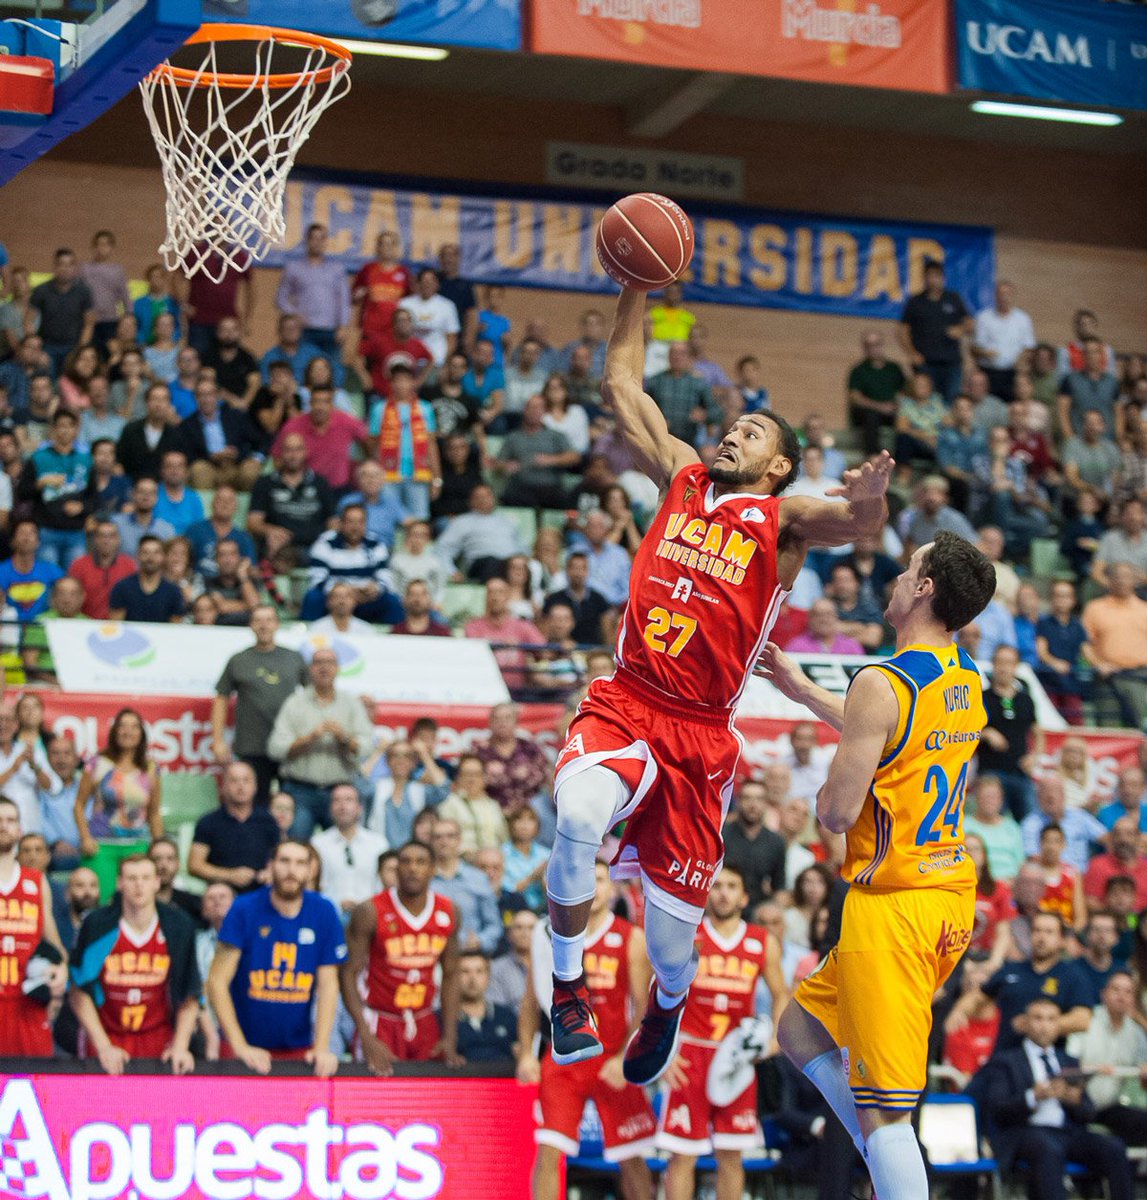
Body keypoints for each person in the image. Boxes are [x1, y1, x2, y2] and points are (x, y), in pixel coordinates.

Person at [542, 285, 894, 1085]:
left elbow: (858, 523)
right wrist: (633, 287)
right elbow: (621, 388)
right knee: (576, 813)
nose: (732, 432)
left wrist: (868, 498)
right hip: (627, 699)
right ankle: (567, 984)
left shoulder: (785, 521)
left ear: (776, 465)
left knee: (670, 946)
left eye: (752, 430)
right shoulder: (684, 476)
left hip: (700, 734)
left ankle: (666, 1000)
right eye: (732, 424)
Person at [755, 530, 995, 1200]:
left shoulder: (880, 680)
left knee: (886, 1110)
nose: (896, 574)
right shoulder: (963, 675)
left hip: (892, 909)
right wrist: (805, 692)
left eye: (908, 567)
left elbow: (833, 813)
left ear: (922, 589)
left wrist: (823, 791)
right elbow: (889, 732)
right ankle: (886, 1157)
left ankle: (889, 1158)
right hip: (946, 896)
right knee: (798, 1029)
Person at [519, 861, 657, 1200]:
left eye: (599, 880)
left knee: (631, 1155)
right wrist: (526, 1053)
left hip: (612, 1057)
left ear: (612, 890)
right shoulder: (550, 935)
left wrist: (627, 1057)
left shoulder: (631, 937)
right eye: (585, 879)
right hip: (564, 1058)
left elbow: (642, 1007)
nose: (592, 887)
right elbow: (530, 1001)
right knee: (549, 1149)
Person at [658, 864, 788, 1200]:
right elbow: (659, 994)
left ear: (744, 897)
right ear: (707, 892)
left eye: (732, 886)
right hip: (691, 1055)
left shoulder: (762, 942)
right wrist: (664, 1052)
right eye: (717, 886)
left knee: (731, 1155)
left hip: (737, 1058)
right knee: (682, 1154)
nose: (724, 892)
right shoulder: (690, 935)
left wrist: (774, 1040)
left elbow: (781, 994)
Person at [206, 839, 344, 1075]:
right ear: (270, 866)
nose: (291, 870)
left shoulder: (324, 911)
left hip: (299, 1047)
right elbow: (216, 981)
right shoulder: (243, 908)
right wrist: (240, 1046)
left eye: (300, 863)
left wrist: (322, 1047)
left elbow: (328, 985)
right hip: (243, 1046)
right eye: (284, 861)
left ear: (311, 870)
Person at [983, 996, 1135, 1200]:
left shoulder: (1068, 1060)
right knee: (1047, 1147)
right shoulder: (1007, 1061)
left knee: (1114, 1147)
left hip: (1067, 1131)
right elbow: (997, 1109)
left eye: (1051, 1019)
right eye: (1038, 1018)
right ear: (1026, 1023)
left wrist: (1075, 1099)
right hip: (1026, 1132)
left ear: (1058, 1024)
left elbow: (1088, 1112)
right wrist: (1033, 1096)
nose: (1044, 1026)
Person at [69, 854, 200, 1074]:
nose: (139, 885)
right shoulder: (98, 925)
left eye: (146, 878)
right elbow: (79, 992)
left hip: (160, 1037)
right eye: (131, 878)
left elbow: (191, 993)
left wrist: (180, 1046)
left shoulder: (178, 926)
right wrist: (103, 1046)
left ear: (157, 882)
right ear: (119, 883)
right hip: (106, 1035)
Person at [340, 839, 462, 1073]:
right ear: (396, 870)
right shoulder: (370, 911)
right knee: (376, 1099)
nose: (413, 868)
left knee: (426, 1101)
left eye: (421, 862)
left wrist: (449, 1037)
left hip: (424, 1019)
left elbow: (451, 975)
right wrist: (366, 1035)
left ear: (433, 869)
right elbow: (347, 974)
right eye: (405, 862)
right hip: (379, 1019)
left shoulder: (449, 911)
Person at [267, 647, 375, 836]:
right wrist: (309, 739)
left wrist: (345, 738)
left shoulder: (351, 704)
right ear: (310, 669)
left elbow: (367, 747)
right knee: (297, 848)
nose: (324, 668)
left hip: (340, 791)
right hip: (300, 790)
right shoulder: (295, 703)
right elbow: (275, 749)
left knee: (341, 850)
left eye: (330, 663)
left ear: (338, 668)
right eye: (318, 663)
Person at [211, 605, 307, 804]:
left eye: (269, 620)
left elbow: (314, 696)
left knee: (289, 804)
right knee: (253, 805)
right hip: (251, 747)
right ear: (251, 625)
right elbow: (221, 698)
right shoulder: (238, 660)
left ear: (277, 624)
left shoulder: (294, 658)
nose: (264, 625)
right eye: (258, 620)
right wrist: (218, 740)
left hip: (289, 746)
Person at [0, 796, 68, 1055]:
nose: (4, 826)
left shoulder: (36, 881)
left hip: (27, 1003)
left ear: (19, 829)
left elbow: (52, 943)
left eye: (10, 820)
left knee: (33, 1088)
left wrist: (61, 970)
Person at [72, 707, 163, 896]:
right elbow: (79, 805)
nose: (128, 731)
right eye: (122, 726)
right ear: (114, 731)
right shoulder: (97, 763)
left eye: (134, 727)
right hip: (101, 846)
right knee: (102, 905)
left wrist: (158, 847)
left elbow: (153, 814)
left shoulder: (151, 769)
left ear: (141, 734)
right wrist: (85, 838)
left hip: (138, 847)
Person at [1068, 970, 1147, 1146]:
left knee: (1141, 1122)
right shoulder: (1086, 1022)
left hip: (1109, 1107)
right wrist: (1094, 1069)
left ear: (1134, 999)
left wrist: (1143, 1072)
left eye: (1128, 992)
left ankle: (1131, 1171)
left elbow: (1143, 1080)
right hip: (1078, 1101)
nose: (1122, 997)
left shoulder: (1136, 1033)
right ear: (1103, 994)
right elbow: (1068, 1065)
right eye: (1116, 990)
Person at [300, 503, 403, 625]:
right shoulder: (325, 543)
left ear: (365, 524)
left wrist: (376, 588)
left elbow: (385, 579)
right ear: (341, 523)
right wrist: (345, 592)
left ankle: (395, 639)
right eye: (351, 522)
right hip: (335, 598)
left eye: (360, 522)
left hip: (366, 599)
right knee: (312, 598)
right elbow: (317, 580)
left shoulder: (375, 544)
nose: (355, 527)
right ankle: (309, 638)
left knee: (392, 601)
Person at [188, 762, 281, 892]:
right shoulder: (208, 822)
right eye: (234, 781)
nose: (241, 786)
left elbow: (281, 857)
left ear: (255, 786)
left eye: (246, 780)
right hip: (221, 895)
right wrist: (229, 875)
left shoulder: (268, 821)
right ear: (223, 786)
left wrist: (270, 873)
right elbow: (195, 865)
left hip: (262, 893)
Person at [247, 433, 337, 563]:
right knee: (273, 551)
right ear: (281, 453)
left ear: (305, 452)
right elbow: (253, 522)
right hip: (281, 546)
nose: (293, 455)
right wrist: (270, 530)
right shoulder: (265, 483)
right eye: (288, 450)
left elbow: (333, 522)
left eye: (298, 449)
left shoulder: (320, 483)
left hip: (314, 547)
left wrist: (324, 543)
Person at [897, 257, 972, 405]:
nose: (933, 279)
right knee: (927, 403)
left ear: (942, 278)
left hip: (951, 364)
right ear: (924, 278)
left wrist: (961, 329)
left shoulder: (953, 298)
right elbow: (902, 331)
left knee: (951, 403)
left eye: (936, 276)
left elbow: (970, 323)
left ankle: (948, 429)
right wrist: (912, 353)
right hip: (926, 364)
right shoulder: (915, 302)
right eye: (929, 276)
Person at [310, 781, 388, 917]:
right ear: (330, 808)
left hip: (371, 916)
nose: (342, 806)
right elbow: (314, 886)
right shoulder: (318, 843)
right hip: (329, 915)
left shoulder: (378, 843)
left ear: (360, 808)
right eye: (336, 800)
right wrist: (337, 904)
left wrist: (364, 907)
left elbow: (384, 885)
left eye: (348, 800)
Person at [1021, 775, 1106, 875]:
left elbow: (1107, 838)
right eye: (1045, 791)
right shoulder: (1030, 824)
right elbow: (1033, 858)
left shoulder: (1080, 816)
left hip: (1082, 877)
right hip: (1048, 877)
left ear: (1063, 794)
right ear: (1038, 797)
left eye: (1055, 791)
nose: (1051, 795)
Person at [720, 779, 786, 910]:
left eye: (759, 799)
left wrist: (775, 909)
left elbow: (779, 888)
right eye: (747, 798)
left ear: (766, 804)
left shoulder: (776, 842)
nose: (753, 804)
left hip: (758, 911)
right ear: (738, 802)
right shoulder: (722, 835)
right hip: (722, 906)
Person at [436, 753, 509, 859]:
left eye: (476, 774)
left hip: (492, 864)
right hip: (462, 863)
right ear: (458, 777)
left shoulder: (493, 805)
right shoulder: (449, 803)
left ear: (484, 778)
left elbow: (504, 840)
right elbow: (445, 841)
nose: (471, 779)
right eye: (467, 774)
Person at [453, 951, 516, 1063]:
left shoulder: (507, 1016)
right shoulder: (442, 1020)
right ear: (454, 977)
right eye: (465, 971)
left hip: (503, 1078)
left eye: (479, 971)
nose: (472, 979)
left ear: (488, 976)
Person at [106, 534, 186, 623]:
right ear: (138, 555)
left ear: (163, 557)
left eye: (156, 553)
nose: (150, 558)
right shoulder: (122, 588)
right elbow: (116, 626)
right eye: (145, 552)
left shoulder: (173, 592)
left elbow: (176, 630)